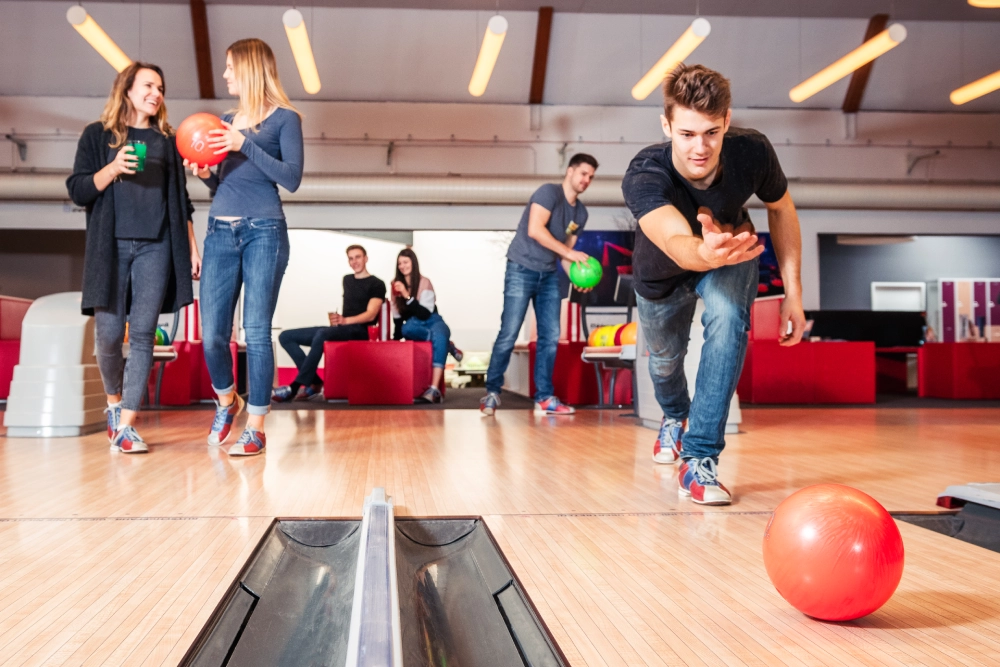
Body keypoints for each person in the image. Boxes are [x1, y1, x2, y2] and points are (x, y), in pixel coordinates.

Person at [622, 64, 806, 506]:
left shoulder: (753, 151)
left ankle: (700, 458)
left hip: (730, 252)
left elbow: (782, 209)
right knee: (666, 362)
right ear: (666, 125)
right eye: (686, 134)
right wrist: (702, 253)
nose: (699, 147)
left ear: (726, 121)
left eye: (710, 132)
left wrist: (793, 295)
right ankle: (673, 416)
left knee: (728, 319)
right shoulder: (645, 173)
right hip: (663, 273)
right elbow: (673, 239)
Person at [67, 62, 199, 454]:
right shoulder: (98, 135)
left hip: (156, 247)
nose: (156, 93)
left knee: (142, 336)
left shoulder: (169, 141)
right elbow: (78, 189)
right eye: (148, 85)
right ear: (127, 90)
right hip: (111, 247)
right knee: (107, 337)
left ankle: (127, 424)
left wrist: (191, 247)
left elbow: (182, 202)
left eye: (160, 87)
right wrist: (111, 168)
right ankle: (113, 403)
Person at [184, 39, 303, 456]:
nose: (225, 75)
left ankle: (256, 425)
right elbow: (225, 182)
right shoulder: (226, 119)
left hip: (264, 231)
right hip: (220, 229)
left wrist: (244, 144)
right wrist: (204, 175)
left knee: (255, 331)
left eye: (231, 67)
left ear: (251, 69)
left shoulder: (286, 119)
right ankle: (226, 400)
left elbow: (291, 178)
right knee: (212, 334)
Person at [480, 154, 598, 416]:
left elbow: (565, 255)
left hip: (548, 275)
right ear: (570, 171)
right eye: (583, 174)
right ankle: (492, 392)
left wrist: (580, 277)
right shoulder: (548, 193)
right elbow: (535, 229)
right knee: (509, 332)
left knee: (550, 336)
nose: (586, 180)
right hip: (521, 268)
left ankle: (544, 396)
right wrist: (570, 256)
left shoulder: (581, 212)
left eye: (591, 176)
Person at [272, 245, 386, 401]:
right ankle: (316, 382)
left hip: (360, 330)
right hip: (343, 328)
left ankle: (295, 386)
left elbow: (371, 314)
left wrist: (345, 320)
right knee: (286, 336)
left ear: (366, 258)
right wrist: (340, 320)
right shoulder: (347, 279)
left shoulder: (377, 283)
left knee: (322, 334)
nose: (354, 261)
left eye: (358, 257)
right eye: (351, 258)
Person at [390, 248, 463, 404]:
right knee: (406, 329)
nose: (403, 266)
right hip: (414, 325)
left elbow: (425, 313)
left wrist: (406, 295)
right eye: (400, 263)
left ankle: (434, 389)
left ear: (413, 263)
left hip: (433, 320)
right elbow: (397, 319)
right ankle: (446, 345)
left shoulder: (424, 282)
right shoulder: (395, 285)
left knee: (440, 333)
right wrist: (394, 343)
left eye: (406, 262)